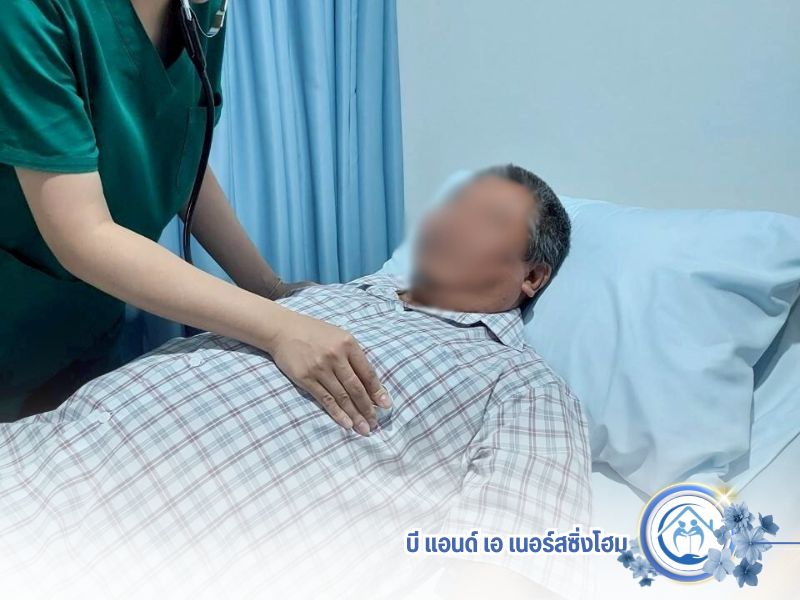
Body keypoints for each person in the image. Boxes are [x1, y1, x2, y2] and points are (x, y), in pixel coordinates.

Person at [0, 164, 591, 599]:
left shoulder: (521, 386)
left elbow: (508, 569)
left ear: (533, 277)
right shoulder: (328, 296)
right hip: (35, 456)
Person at [0, 0, 389, 425]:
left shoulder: (200, 13)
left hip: (92, 322)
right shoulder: (30, 12)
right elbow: (83, 235)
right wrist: (279, 328)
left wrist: (270, 289)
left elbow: (182, 156)